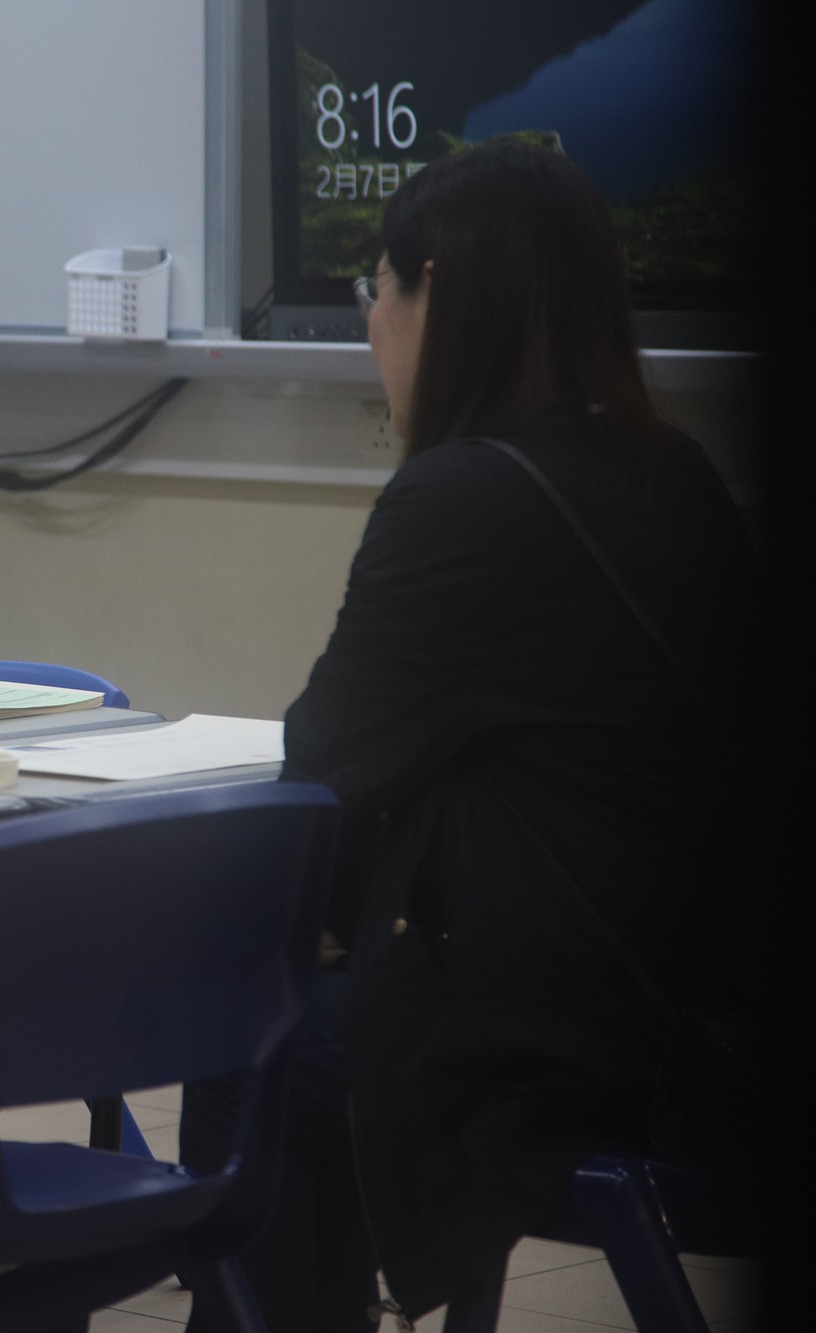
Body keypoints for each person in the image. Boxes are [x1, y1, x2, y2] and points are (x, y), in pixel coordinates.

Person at [183, 140, 764, 1329]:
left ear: (433, 292)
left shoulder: (459, 499)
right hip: (716, 1019)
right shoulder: (677, 471)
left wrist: (320, 915)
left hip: (592, 1056)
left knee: (249, 1037)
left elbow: (325, 770)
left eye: (375, 290)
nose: (369, 324)